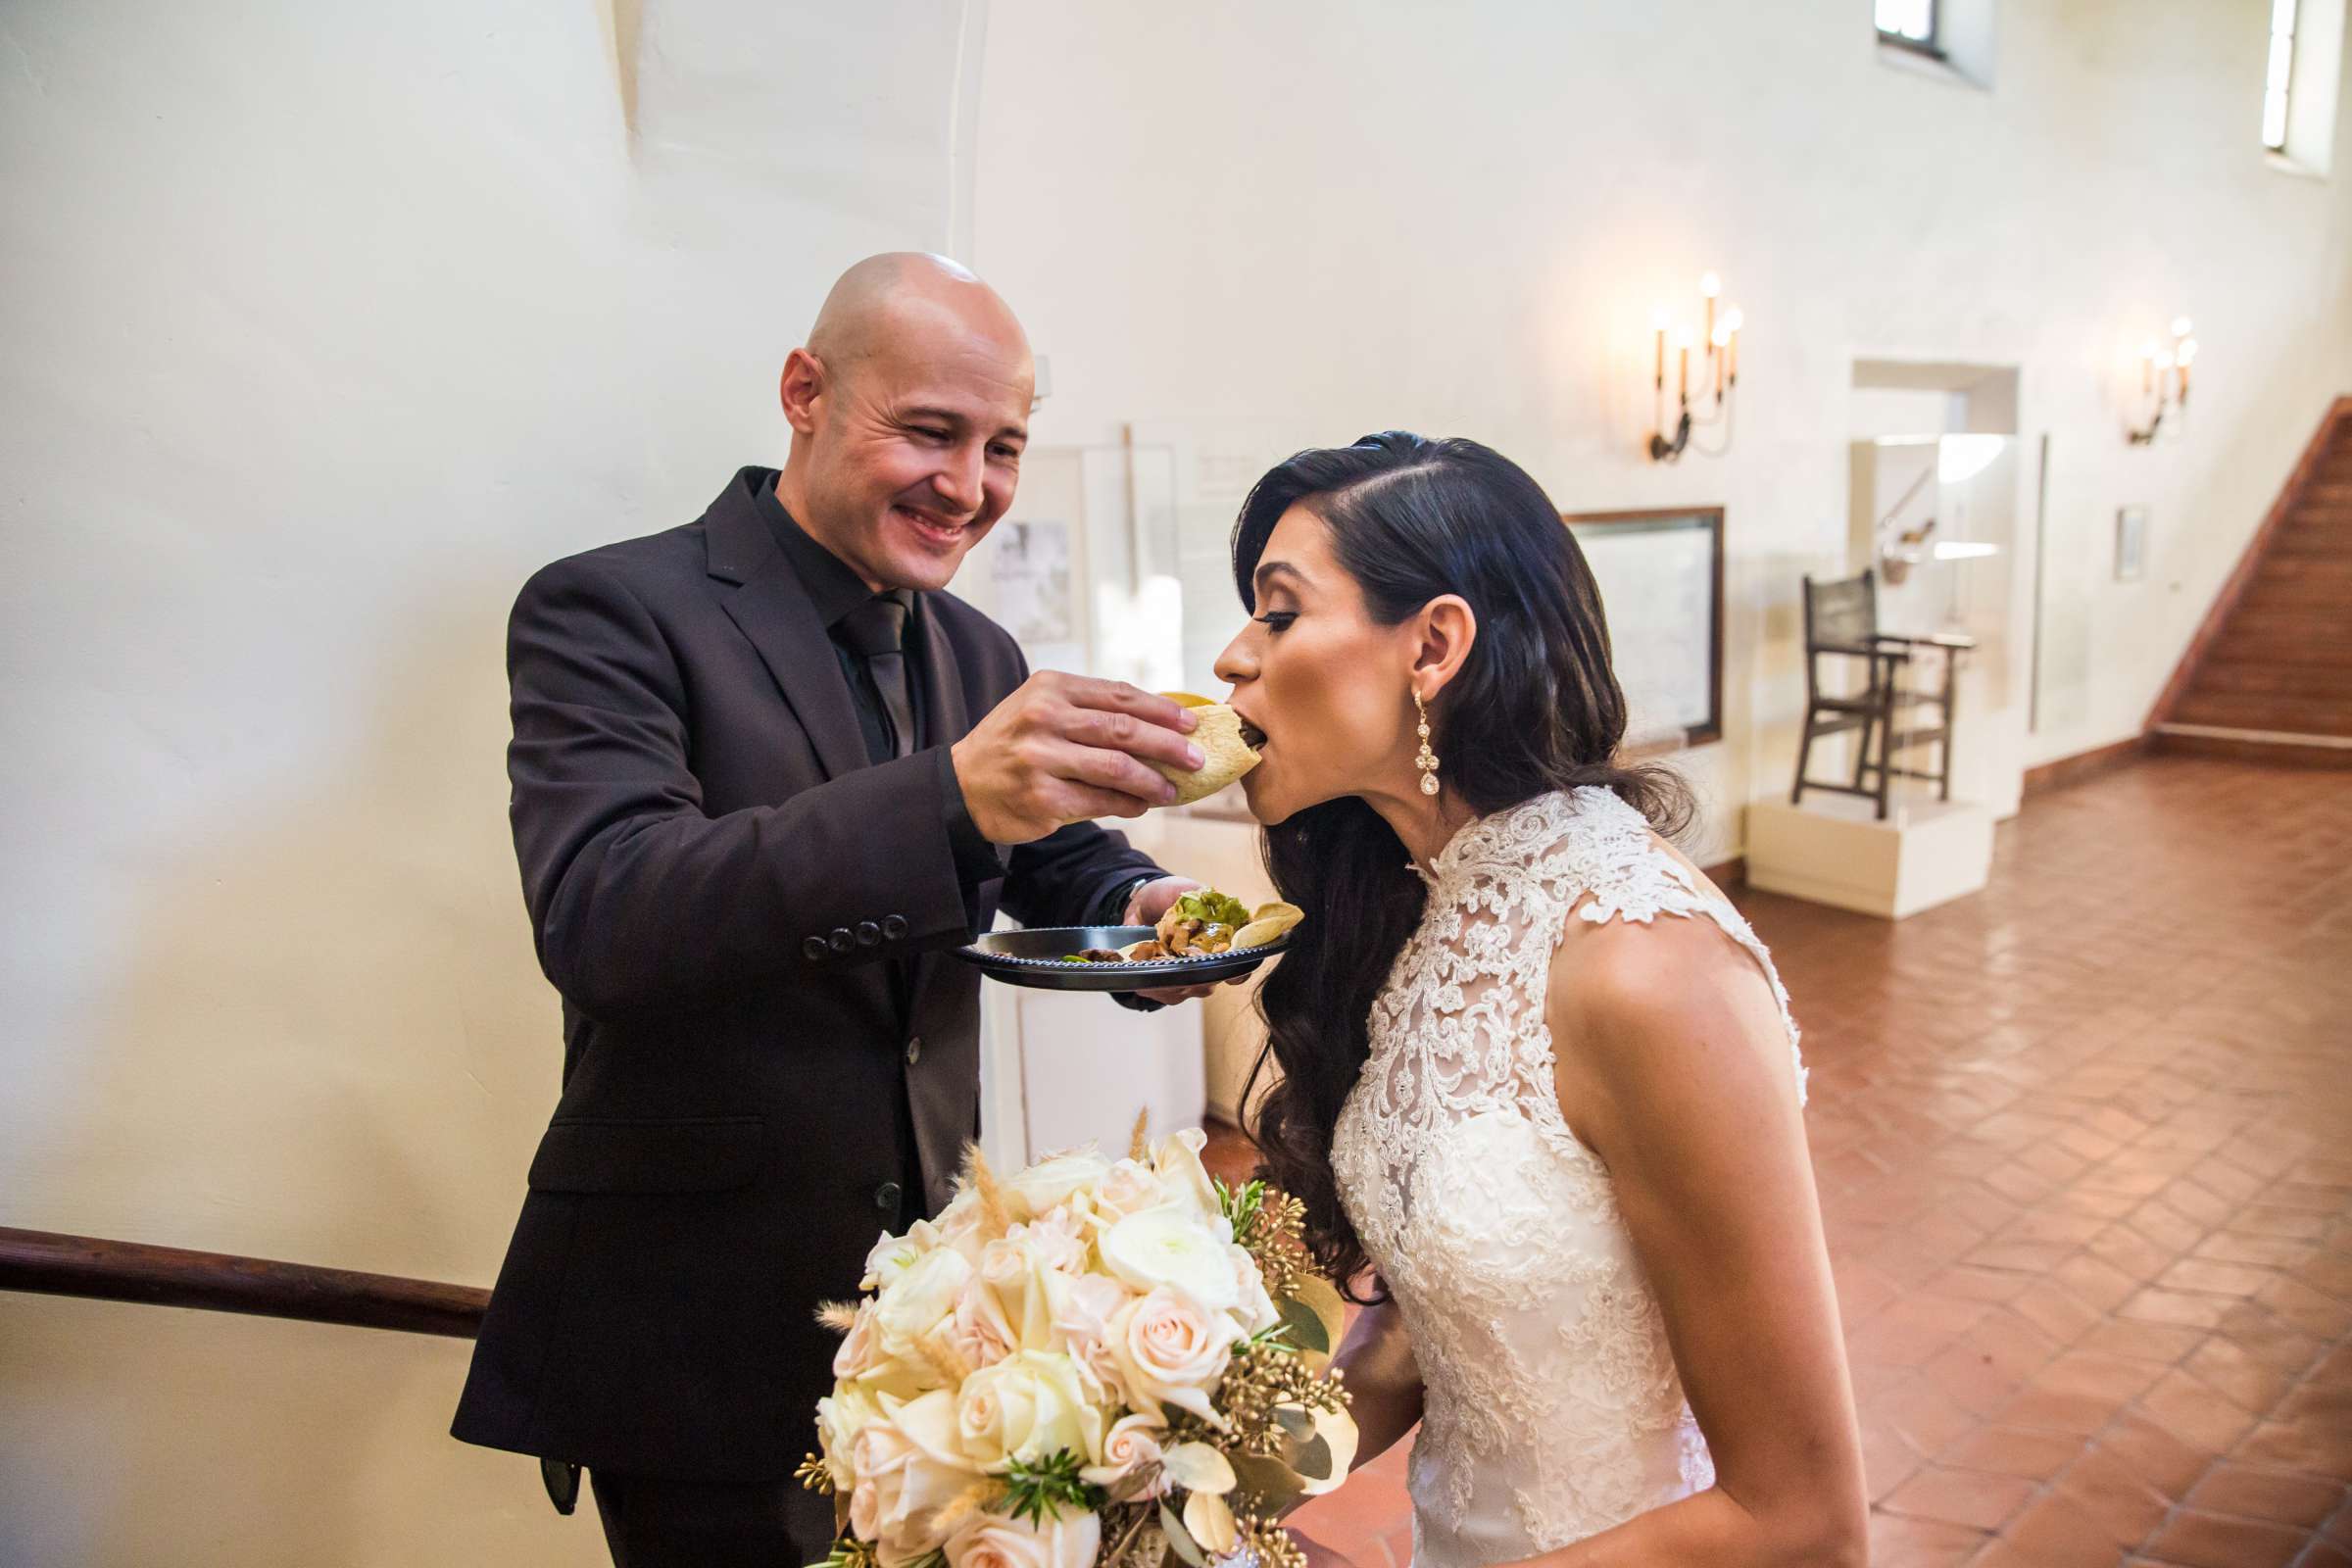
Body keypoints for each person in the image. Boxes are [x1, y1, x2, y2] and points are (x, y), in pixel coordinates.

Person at [452, 253, 1223, 1566]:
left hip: (936, 1327)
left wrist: (1147, 906)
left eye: (1004, 448)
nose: (969, 487)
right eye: (930, 430)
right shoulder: (613, 607)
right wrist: (948, 798)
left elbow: (1055, 860)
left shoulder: (974, 648)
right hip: (694, 1330)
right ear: (805, 392)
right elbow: (606, 910)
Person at [1214, 433, 1868, 1568]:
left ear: (1434, 645)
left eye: (1279, 613)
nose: (1232, 657)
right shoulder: (1431, 909)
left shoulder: (1643, 969)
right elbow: (1438, 1328)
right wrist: (1171, 1488)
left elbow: (1803, 1523)